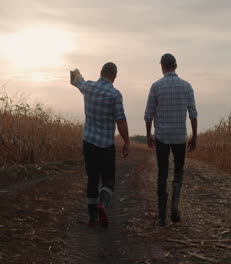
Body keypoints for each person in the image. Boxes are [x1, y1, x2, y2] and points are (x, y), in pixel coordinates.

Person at [70, 62, 130, 227]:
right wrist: (126, 142)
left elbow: (77, 81)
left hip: (88, 142)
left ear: (101, 72)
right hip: (106, 146)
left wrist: (76, 75)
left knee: (92, 179)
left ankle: (93, 217)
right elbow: (121, 121)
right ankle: (102, 204)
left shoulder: (89, 87)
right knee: (109, 180)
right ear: (114, 76)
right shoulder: (115, 95)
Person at [144, 53, 198, 226]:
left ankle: (161, 216)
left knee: (162, 173)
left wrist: (148, 135)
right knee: (179, 171)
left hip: (162, 138)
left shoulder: (156, 86)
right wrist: (194, 136)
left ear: (162, 66)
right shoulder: (186, 86)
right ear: (175, 66)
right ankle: (175, 205)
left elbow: (148, 115)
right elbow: (193, 114)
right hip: (179, 136)